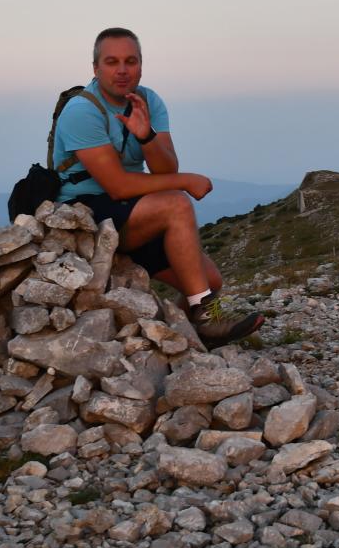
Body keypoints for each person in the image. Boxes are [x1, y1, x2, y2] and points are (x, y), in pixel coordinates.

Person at [52, 27, 263, 348]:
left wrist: (146, 135)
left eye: (130, 61)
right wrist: (185, 181)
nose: (122, 70)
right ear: (96, 68)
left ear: (141, 65)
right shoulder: (82, 111)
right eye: (112, 62)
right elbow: (117, 185)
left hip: (131, 210)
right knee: (176, 203)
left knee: (210, 280)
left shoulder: (148, 101)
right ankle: (210, 320)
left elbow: (166, 168)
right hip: (85, 212)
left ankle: (183, 336)